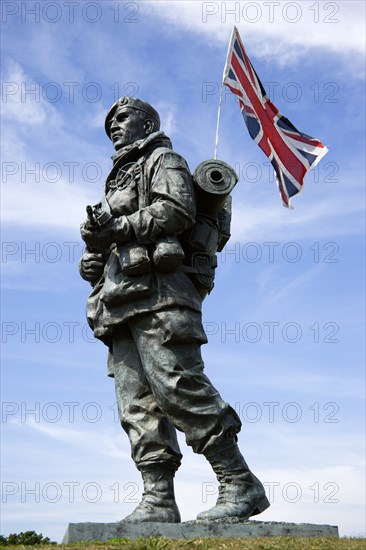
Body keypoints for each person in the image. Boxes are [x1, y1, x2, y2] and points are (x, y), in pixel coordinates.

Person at [79, 96, 269, 523]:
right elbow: (111, 239)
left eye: (123, 117)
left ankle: (239, 481)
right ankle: (158, 498)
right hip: (119, 300)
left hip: (163, 294)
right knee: (137, 405)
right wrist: (95, 256)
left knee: (178, 387)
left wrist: (119, 228)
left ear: (146, 122)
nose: (114, 125)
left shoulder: (164, 159)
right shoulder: (117, 179)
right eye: (109, 121)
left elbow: (177, 211)